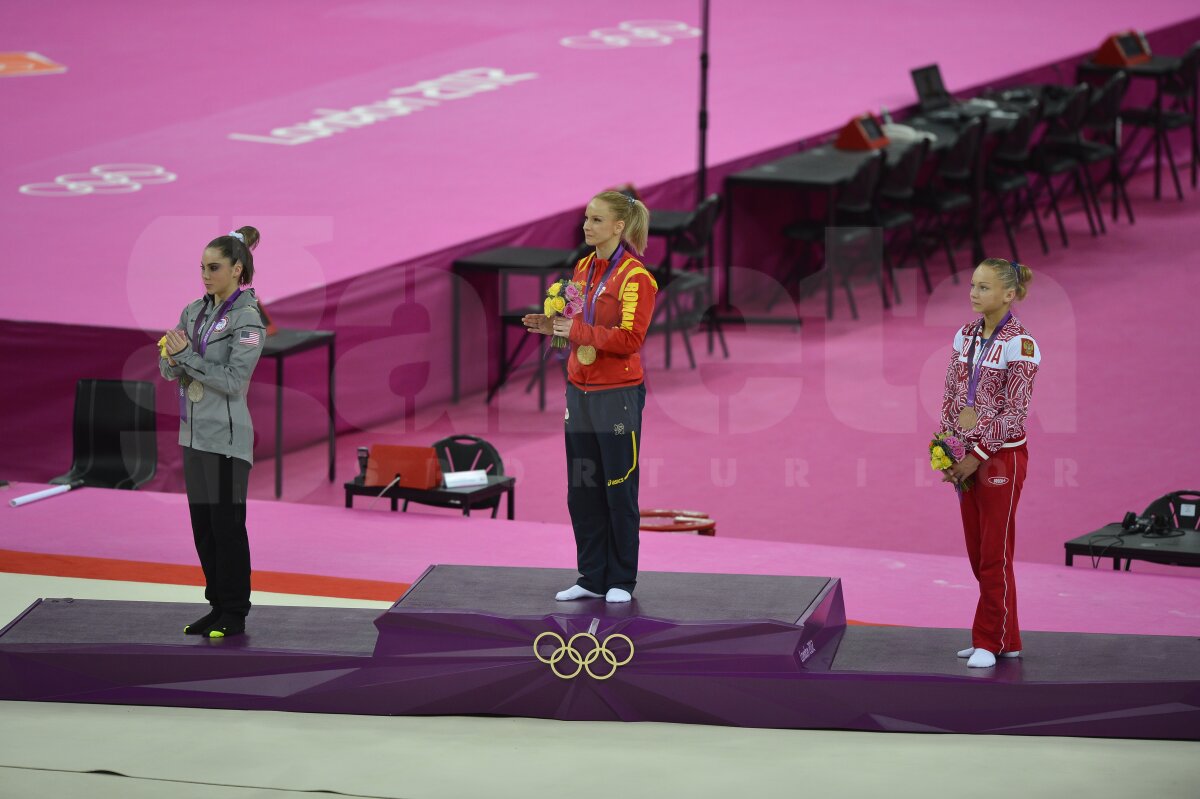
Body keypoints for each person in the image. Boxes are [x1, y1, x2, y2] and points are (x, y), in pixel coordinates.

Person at [523, 191, 656, 603]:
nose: (587, 226)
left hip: (616, 394)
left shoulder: (636, 278)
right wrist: (554, 324)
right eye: (586, 218)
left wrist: (574, 332)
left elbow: (631, 338)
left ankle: (621, 579)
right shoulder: (582, 267)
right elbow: (578, 317)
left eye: (597, 220)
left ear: (619, 227)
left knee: (618, 487)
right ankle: (590, 576)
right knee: (582, 489)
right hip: (578, 391)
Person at [159, 227, 267, 638]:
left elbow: (235, 379)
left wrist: (186, 355)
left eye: (214, 267)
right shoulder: (194, 311)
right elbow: (172, 367)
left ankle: (236, 612)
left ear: (237, 269)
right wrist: (170, 356)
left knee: (227, 527)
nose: (205, 275)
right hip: (193, 436)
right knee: (202, 527)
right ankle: (216, 605)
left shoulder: (248, 319)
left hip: (225, 439)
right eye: (202, 267)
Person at [939, 257, 1040, 668]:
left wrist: (975, 456)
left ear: (1009, 294)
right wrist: (947, 450)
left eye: (983, 287)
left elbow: (1015, 412)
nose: (973, 294)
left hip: (1001, 458)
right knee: (977, 549)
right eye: (972, 285)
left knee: (994, 553)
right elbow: (950, 398)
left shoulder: (1021, 343)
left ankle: (989, 639)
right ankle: (1007, 636)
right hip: (966, 459)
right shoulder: (964, 336)